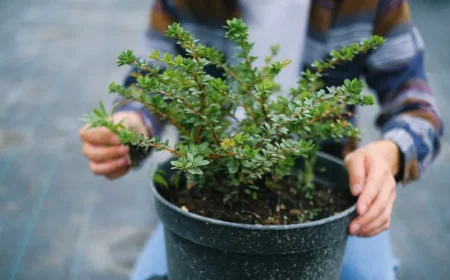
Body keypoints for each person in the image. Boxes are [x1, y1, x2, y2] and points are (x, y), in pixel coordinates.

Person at [79, 0, 443, 279]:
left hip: (327, 189)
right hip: (208, 179)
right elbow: (150, 79)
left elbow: (417, 108)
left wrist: (390, 153)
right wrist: (131, 125)